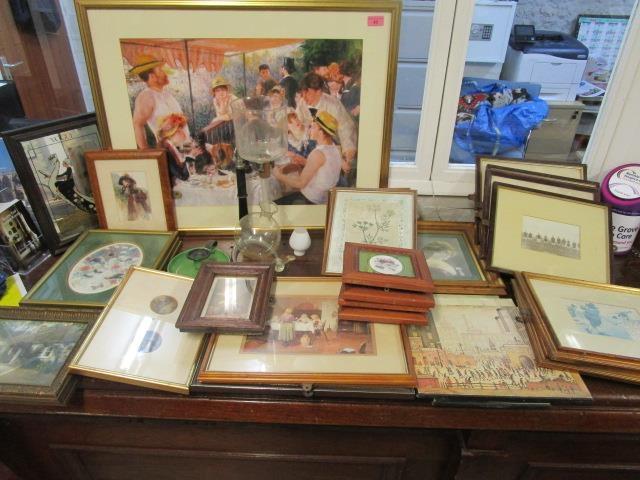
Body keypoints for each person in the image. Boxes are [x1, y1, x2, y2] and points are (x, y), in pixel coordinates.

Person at [273, 110, 342, 205]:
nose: (309, 130)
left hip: (311, 200)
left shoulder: (318, 153)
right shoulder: (333, 148)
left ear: (321, 133)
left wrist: (279, 176)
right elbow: (320, 167)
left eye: (312, 127)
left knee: (273, 204)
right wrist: (301, 164)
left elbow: (301, 183)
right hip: (323, 198)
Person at [295, 72, 357, 176]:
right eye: (303, 93)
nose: (304, 97)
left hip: (332, 144)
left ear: (319, 92)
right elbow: (298, 122)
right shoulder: (302, 103)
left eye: (308, 93)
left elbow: (346, 128)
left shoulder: (333, 105)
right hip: (311, 144)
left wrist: (348, 149)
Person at [129, 54, 191, 149]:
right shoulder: (146, 96)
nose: (165, 72)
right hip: (172, 154)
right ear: (152, 76)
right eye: (161, 70)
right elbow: (137, 125)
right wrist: (147, 154)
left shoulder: (166, 94)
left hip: (185, 148)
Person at [201, 76, 239, 144]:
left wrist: (216, 119)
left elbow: (231, 116)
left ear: (227, 90)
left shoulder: (233, 99)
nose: (221, 93)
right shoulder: (215, 100)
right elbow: (221, 114)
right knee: (210, 132)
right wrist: (222, 103)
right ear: (214, 93)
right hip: (224, 123)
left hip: (237, 123)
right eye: (217, 91)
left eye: (223, 90)